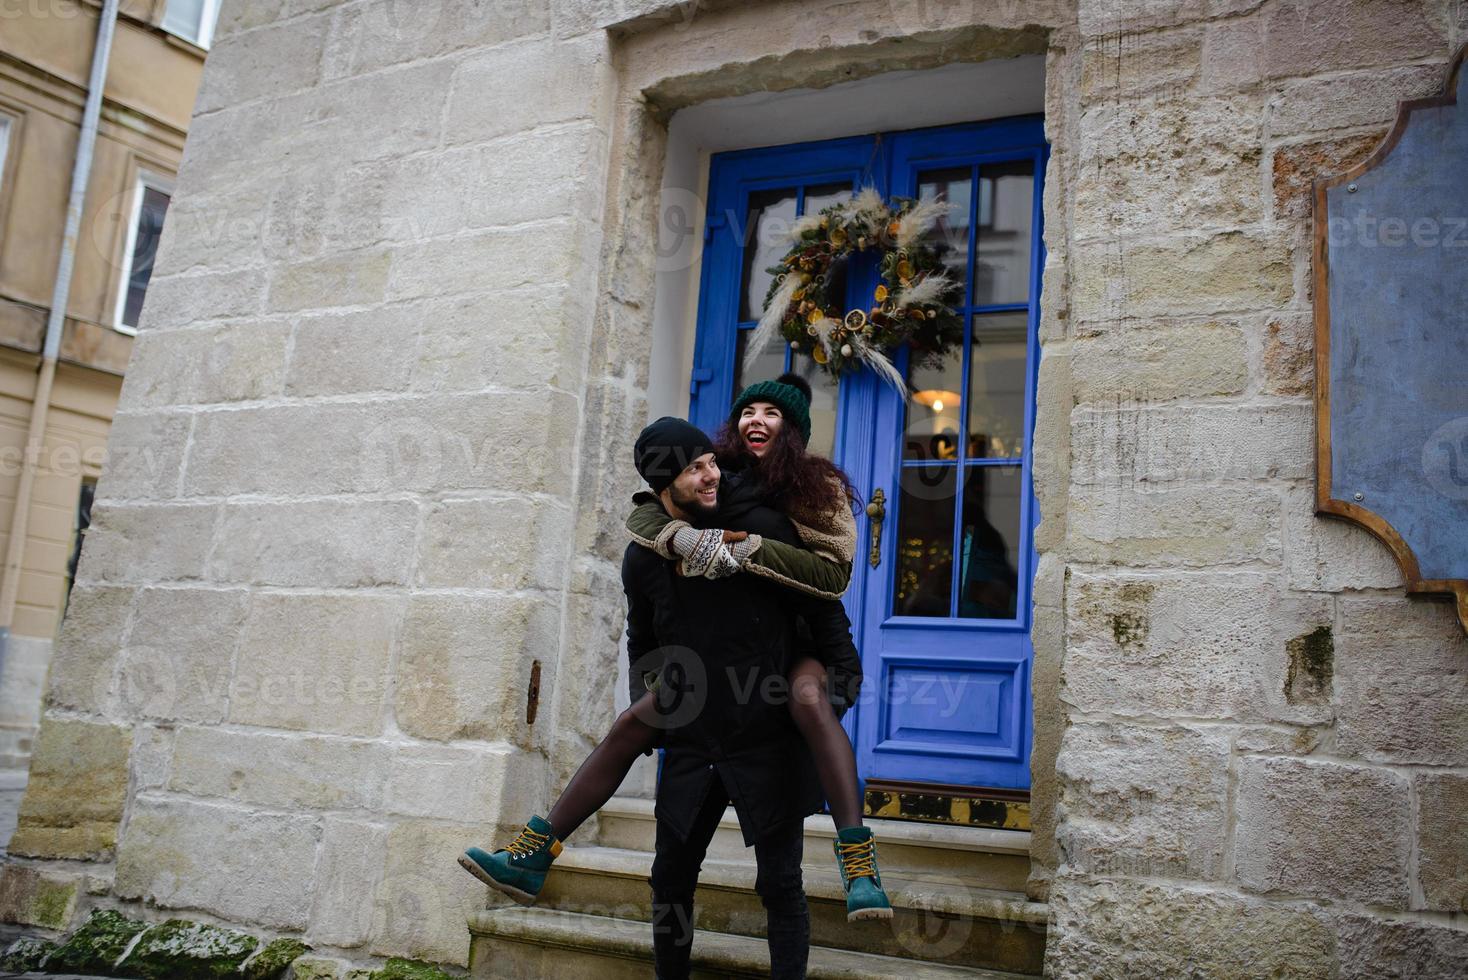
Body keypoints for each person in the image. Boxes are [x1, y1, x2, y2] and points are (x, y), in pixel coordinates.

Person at [461, 388, 892, 916]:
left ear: (793, 429)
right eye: (747, 412)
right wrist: (681, 540)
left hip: (802, 640)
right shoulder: (725, 479)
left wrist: (744, 548)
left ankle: (859, 864)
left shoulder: (807, 489)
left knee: (806, 698)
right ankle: (530, 857)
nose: (756, 421)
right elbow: (649, 513)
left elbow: (831, 577)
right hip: (728, 661)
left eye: (772, 413)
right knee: (630, 722)